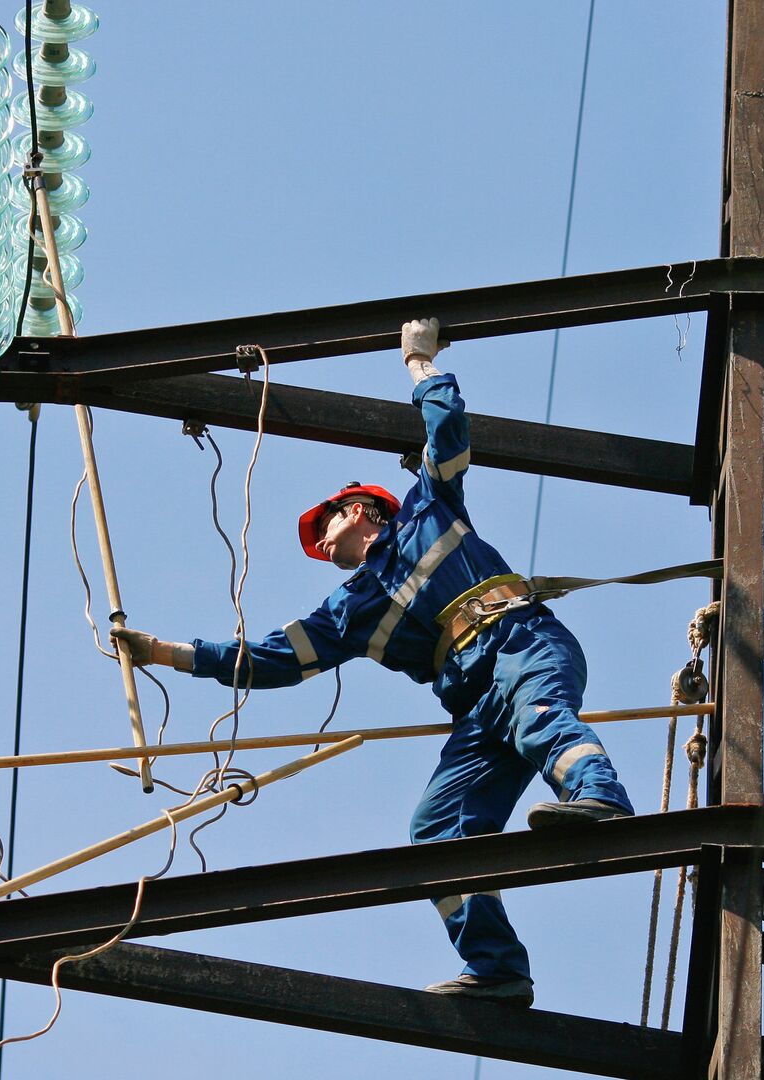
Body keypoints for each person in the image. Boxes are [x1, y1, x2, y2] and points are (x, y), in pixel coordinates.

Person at [113, 318, 633, 1007]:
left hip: (519, 644)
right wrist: (166, 654)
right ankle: (499, 968)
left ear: (359, 510)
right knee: (436, 832)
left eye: (324, 525)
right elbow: (269, 659)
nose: (319, 542)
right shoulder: (349, 611)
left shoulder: (429, 511)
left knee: (539, 718)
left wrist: (418, 362)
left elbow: (447, 429)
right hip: (476, 705)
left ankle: (601, 798)